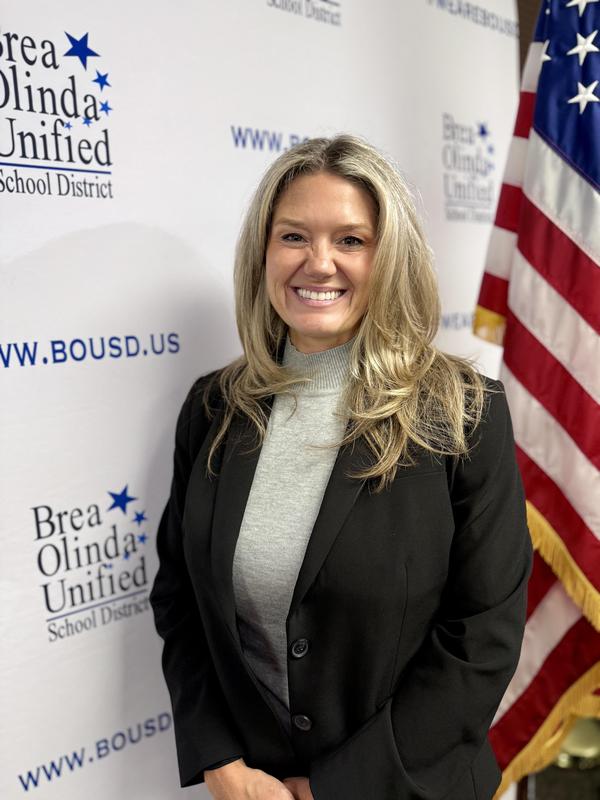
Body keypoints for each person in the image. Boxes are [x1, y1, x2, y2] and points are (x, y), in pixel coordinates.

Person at [149, 134, 533, 800]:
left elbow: (484, 635)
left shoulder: (462, 412)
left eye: (352, 240)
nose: (318, 262)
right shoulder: (212, 408)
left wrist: (333, 788)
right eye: (293, 236)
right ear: (263, 253)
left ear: (389, 257)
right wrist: (220, 759)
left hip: (414, 786)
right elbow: (180, 597)